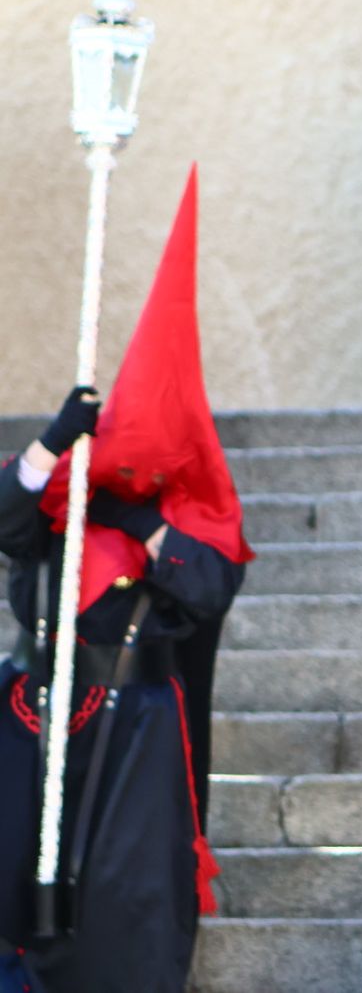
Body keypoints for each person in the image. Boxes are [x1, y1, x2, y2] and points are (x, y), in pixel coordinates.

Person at [0, 169, 251, 993]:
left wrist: (142, 525)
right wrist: (51, 445)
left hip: (134, 731)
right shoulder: (59, 498)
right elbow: (7, 519)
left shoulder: (193, 517)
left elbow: (209, 586)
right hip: (26, 717)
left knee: (124, 907)